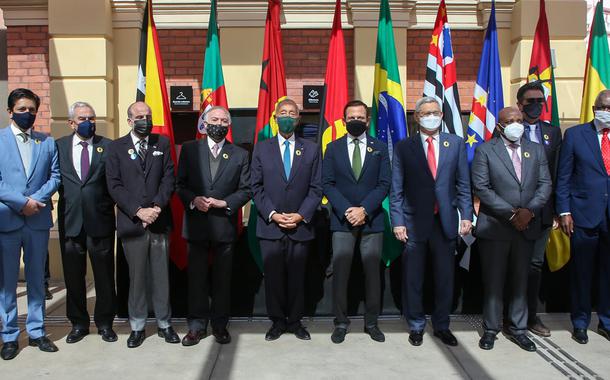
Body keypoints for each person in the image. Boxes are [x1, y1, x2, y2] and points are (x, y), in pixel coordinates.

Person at [390, 96, 472, 347]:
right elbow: (397, 188)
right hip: (414, 222)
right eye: (426, 113)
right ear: (417, 117)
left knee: (445, 277)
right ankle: (415, 325)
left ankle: (442, 325)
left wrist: (467, 215)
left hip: (445, 221)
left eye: (435, 112)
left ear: (442, 115)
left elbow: (463, 184)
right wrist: (398, 221)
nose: (431, 116)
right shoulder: (405, 147)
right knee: (413, 277)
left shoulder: (456, 144)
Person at [472, 106, 551, 352]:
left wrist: (529, 211)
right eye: (511, 120)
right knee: (494, 282)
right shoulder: (485, 150)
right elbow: (482, 187)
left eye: (519, 120)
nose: (517, 124)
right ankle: (491, 329)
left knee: (520, 280)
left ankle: (518, 329)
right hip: (496, 227)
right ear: (500, 126)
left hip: (527, 225)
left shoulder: (536, 150)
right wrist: (512, 213)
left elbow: (545, 184)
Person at [105, 101, 178, 348]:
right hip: (133, 223)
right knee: (136, 278)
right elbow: (114, 185)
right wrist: (138, 211)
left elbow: (169, 178)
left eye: (148, 115)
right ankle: (137, 325)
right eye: (139, 116)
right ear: (129, 121)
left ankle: (164, 324)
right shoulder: (116, 148)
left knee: (161, 277)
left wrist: (156, 207)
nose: (144, 119)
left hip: (158, 221)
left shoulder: (163, 143)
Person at [177, 106, 250, 346]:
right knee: (196, 280)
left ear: (229, 124)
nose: (219, 123)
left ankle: (219, 325)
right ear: (205, 124)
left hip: (224, 226)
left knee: (222, 280)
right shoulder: (189, 149)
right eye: (214, 119)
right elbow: (180, 185)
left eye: (223, 120)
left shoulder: (239, 154)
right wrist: (193, 199)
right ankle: (196, 327)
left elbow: (246, 189)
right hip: (197, 226)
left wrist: (226, 202)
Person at [250, 98, 322, 341]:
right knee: (274, 278)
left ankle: (295, 321)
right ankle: (277, 322)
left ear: (299, 118)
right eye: (283, 112)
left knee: (298, 278)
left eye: (292, 113)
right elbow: (255, 186)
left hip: (300, 226)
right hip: (271, 226)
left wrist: (301, 215)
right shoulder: (262, 148)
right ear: (275, 117)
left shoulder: (311, 149)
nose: (288, 116)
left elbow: (316, 188)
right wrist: (273, 214)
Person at [322, 100, 391, 344]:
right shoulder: (332, 148)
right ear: (343, 121)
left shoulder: (380, 148)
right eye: (352, 117)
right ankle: (341, 323)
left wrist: (364, 209)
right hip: (342, 221)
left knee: (373, 274)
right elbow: (327, 183)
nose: (356, 121)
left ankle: (371, 323)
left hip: (371, 221)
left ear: (367, 120)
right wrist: (348, 210)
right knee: (340, 273)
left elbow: (384, 183)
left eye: (360, 117)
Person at [0, 88, 61, 360]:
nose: (27, 114)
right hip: (8, 220)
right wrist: (20, 202)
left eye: (32, 110)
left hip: (37, 220)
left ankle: (37, 331)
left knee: (37, 280)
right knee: (7, 282)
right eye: (22, 109)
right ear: (10, 111)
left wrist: (35, 200)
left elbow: (55, 176)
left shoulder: (46, 142)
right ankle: (10, 335)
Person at [56, 102, 117, 344]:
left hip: (100, 221)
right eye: (82, 118)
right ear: (71, 123)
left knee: (104, 276)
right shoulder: (58, 146)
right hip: (71, 222)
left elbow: (115, 181)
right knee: (73, 277)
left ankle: (105, 323)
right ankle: (78, 324)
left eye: (92, 118)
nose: (88, 122)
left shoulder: (108, 146)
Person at [556, 89, 610, 344]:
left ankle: (606, 321)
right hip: (583, 215)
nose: (606, 112)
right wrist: (564, 210)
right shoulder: (576, 135)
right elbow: (564, 176)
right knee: (582, 273)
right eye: (603, 107)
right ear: (594, 108)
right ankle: (580, 322)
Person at [516, 81, 562, 337]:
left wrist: (557, 210)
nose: (535, 106)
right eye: (530, 102)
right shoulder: (509, 129)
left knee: (534, 266)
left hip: (542, 212)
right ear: (519, 104)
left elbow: (557, 173)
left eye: (539, 101)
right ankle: (509, 316)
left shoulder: (553, 133)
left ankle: (532, 317)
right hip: (513, 213)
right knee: (512, 266)